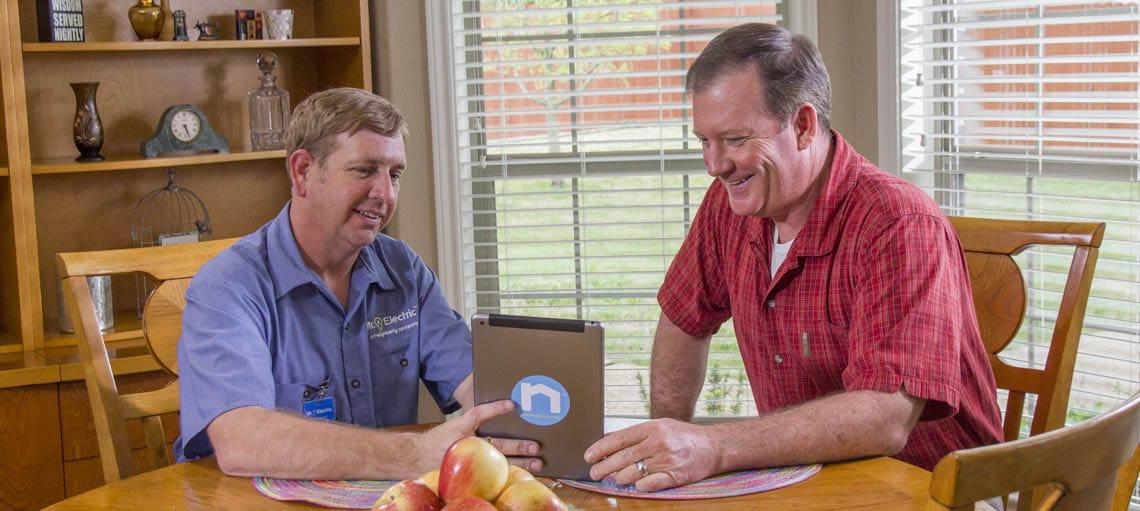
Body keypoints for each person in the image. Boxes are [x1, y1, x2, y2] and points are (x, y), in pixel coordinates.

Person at [584, 23, 1003, 492]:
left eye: (736, 139)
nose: (715, 164)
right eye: (705, 141)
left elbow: (886, 417)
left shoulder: (898, 224)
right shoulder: (730, 203)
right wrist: (664, 447)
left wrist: (714, 446)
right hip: (805, 484)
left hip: (933, 492)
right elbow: (683, 320)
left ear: (802, 126)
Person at [174, 88, 541, 480]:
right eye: (364, 170)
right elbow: (241, 440)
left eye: (395, 174)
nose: (385, 193)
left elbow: (475, 384)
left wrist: (517, 419)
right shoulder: (227, 287)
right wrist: (413, 454)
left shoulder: (404, 269)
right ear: (302, 173)